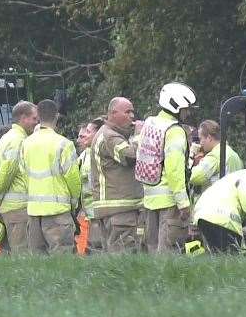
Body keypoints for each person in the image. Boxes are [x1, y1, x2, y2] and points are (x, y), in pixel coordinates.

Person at [18, 100, 83, 254]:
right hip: (58, 213)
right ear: (57, 116)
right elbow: (73, 178)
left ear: (38, 116)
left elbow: (23, 173)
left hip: (34, 213)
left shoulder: (25, 144)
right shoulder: (63, 144)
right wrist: (73, 203)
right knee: (63, 262)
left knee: (38, 266)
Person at [139, 82, 197, 253]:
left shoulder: (150, 124)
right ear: (176, 106)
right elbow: (174, 170)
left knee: (151, 253)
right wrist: (183, 203)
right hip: (170, 202)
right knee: (168, 257)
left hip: (149, 201)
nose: (187, 113)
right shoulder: (175, 131)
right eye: (186, 108)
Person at [91, 98, 145, 253]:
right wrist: (139, 135)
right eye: (127, 112)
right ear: (113, 113)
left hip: (114, 210)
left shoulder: (110, 134)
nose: (132, 116)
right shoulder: (110, 136)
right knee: (123, 258)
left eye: (132, 111)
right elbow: (130, 155)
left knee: (114, 260)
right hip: (119, 211)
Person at [0, 101, 38, 251]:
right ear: (23, 118)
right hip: (18, 210)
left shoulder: (6, 139)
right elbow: (7, 172)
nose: (36, 122)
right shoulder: (18, 141)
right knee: (23, 256)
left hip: (7, 209)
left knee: (9, 255)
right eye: (34, 118)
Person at [191, 166, 246, 254]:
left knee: (217, 254)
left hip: (204, 214)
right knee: (233, 256)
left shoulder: (244, 174)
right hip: (222, 217)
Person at [74, 117, 104, 255]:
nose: (83, 137)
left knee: (98, 246)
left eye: (87, 131)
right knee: (93, 246)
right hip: (90, 212)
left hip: (100, 212)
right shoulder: (85, 155)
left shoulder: (102, 153)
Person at [189, 119, 243, 194]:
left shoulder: (215, 156)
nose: (200, 143)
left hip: (217, 202)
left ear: (209, 138)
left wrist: (191, 156)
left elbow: (193, 177)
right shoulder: (234, 154)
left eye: (201, 139)